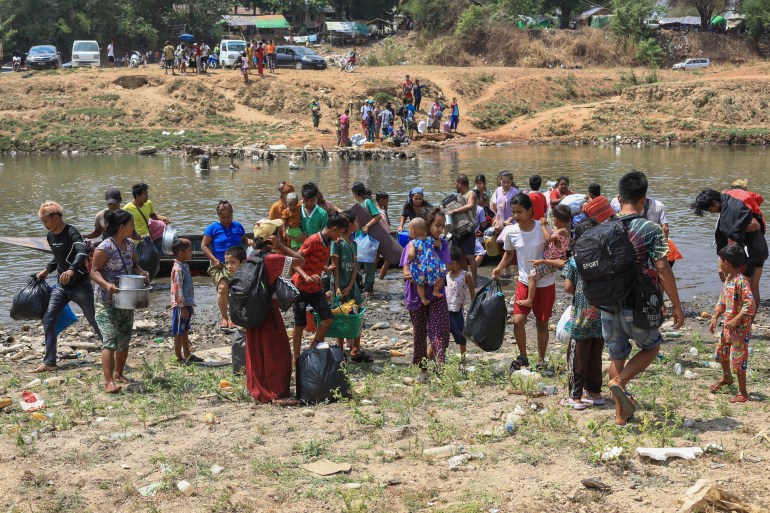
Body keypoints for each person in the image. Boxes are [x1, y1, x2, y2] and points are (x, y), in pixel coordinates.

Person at [605, 171, 684, 426]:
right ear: (644, 200)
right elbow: (662, 269)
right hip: (637, 302)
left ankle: (620, 415)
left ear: (619, 198)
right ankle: (620, 381)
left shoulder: (605, 226)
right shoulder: (650, 229)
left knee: (617, 356)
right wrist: (676, 305)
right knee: (651, 346)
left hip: (607, 302)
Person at [32, 202, 102, 374]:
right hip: (61, 287)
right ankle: (50, 362)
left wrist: (71, 270)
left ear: (56, 218)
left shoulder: (72, 233)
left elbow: (81, 253)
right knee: (48, 319)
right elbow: (59, 258)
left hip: (80, 285)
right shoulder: (51, 236)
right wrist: (47, 270)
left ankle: (112, 349)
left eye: (46, 221)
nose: (45, 225)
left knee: (93, 319)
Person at [247, 220, 308, 404]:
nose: (283, 233)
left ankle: (258, 389)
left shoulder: (252, 257)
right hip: (268, 312)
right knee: (277, 351)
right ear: (271, 238)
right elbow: (301, 260)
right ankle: (275, 393)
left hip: (253, 312)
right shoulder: (271, 259)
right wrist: (282, 246)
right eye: (279, 232)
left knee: (257, 351)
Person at [492, 193, 555, 372]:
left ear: (529, 211)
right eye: (513, 212)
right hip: (523, 281)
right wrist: (499, 267)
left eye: (519, 212)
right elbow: (509, 253)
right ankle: (523, 357)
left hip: (545, 283)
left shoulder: (541, 228)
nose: (516, 216)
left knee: (542, 324)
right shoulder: (511, 231)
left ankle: (541, 361)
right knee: (518, 321)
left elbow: (555, 247)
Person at [90, 209, 150, 394]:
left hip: (125, 299)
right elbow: (94, 271)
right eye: (131, 225)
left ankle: (119, 373)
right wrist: (106, 285)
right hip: (106, 300)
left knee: (124, 338)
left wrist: (142, 273)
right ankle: (108, 382)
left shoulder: (130, 245)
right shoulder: (105, 247)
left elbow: (135, 266)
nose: (133, 228)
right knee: (110, 339)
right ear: (122, 226)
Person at [291, 212, 351, 363]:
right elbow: (296, 261)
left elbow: (313, 259)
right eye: (341, 233)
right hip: (300, 287)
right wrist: (306, 276)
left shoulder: (328, 243)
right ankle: (296, 357)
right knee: (300, 324)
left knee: (328, 319)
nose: (340, 237)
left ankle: (311, 351)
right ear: (334, 229)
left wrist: (326, 269)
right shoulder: (312, 240)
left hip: (315, 287)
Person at [400, 209, 452, 383]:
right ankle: (422, 372)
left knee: (441, 332)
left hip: (437, 295)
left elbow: (447, 266)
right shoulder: (411, 245)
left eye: (442, 226)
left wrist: (427, 274)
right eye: (437, 225)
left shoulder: (441, 244)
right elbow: (405, 271)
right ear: (427, 225)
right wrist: (422, 275)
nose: (440, 230)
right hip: (416, 294)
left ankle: (440, 367)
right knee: (420, 334)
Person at [559, 219, 605, 410]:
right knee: (595, 354)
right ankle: (595, 393)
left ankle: (575, 397)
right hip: (602, 314)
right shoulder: (604, 258)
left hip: (582, 315)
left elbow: (568, 287)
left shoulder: (575, 260)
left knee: (577, 354)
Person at [692, 188, 767, 305]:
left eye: (709, 209)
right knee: (753, 288)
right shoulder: (729, 202)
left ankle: (739, 320)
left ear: (715, 202)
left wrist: (733, 230)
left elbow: (755, 225)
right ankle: (748, 323)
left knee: (740, 288)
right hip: (760, 247)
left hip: (748, 252)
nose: (711, 212)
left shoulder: (733, 207)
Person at [708, 245, 756, 404]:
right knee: (722, 352)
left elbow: (750, 304)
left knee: (738, 359)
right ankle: (726, 378)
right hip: (727, 328)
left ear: (726, 263)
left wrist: (737, 319)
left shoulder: (741, 282)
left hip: (740, 329)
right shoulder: (728, 279)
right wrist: (715, 316)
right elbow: (723, 300)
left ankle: (743, 393)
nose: (718, 262)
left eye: (720, 260)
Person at [201, 200, 251, 331]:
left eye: (229, 217)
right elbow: (203, 246)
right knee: (223, 288)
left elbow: (244, 240)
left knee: (237, 290)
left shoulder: (238, 226)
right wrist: (214, 259)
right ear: (218, 216)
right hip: (219, 264)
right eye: (223, 217)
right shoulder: (212, 228)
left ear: (232, 215)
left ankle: (235, 316)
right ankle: (224, 317)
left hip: (237, 264)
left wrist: (249, 241)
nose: (226, 220)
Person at [331, 210, 370, 362]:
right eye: (357, 222)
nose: (359, 224)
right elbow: (335, 268)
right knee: (341, 315)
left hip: (351, 285)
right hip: (339, 285)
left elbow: (355, 268)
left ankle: (356, 348)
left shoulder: (353, 243)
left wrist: (352, 284)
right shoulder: (337, 243)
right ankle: (340, 350)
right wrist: (338, 287)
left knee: (357, 311)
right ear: (349, 225)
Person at [517, 204, 572, 309]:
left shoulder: (561, 231)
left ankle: (529, 300)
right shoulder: (565, 230)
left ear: (555, 220)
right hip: (552, 259)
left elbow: (548, 239)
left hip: (550, 262)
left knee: (532, 276)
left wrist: (542, 225)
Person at [170, 238, 202, 365]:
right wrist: (182, 307)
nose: (192, 253)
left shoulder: (184, 266)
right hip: (180, 305)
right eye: (189, 250)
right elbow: (177, 290)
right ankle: (179, 357)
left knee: (185, 329)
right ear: (181, 253)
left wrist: (189, 305)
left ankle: (187, 354)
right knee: (179, 331)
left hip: (186, 304)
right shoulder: (178, 268)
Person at [405, 218, 446, 306]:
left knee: (420, 284)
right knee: (442, 273)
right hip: (432, 265)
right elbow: (438, 244)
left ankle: (423, 299)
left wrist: (409, 258)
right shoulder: (430, 239)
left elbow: (411, 255)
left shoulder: (412, 243)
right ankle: (435, 290)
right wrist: (439, 239)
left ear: (413, 232)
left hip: (420, 267)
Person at [445, 174, 478, 285]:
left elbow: (470, 205)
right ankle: (466, 278)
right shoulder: (459, 195)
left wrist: (454, 211)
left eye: (455, 183)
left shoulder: (471, 193)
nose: (455, 186)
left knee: (470, 256)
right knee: (462, 256)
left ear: (460, 183)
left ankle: (474, 280)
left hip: (468, 228)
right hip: (459, 230)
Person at [351, 182, 383, 298]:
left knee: (369, 264)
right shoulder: (358, 204)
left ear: (355, 193)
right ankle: (358, 286)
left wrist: (368, 225)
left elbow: (378, 216)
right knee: (357, 263)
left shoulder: (367, 202)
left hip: (369, 238)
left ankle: (369, 288)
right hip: (359, 238)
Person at [446, 246, 475, 363]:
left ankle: (463, 358)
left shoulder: (465, 275)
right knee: (445, 335)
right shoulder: (447, 275)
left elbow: (472, 291)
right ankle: (442, 356)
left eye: (447, 262)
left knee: (460, 336)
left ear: (453, 263)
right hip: (446, 309)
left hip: (458, 310)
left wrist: (474, 305)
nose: (445, 265)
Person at [123, 183, 170, 250]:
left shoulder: (148, 203)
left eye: (147, 194)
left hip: (147, 239)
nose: (147, 196)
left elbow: (153, 216)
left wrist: (162, 218)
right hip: (134, 242)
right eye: (145, 194)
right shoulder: (127, 208)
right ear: (137, 196)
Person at [376, 192, 392, 279]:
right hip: (384, 236)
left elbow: (387, 223)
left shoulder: (378, 210)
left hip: (380, 236)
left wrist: (386, 210)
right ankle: (381, 277)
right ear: (381, 200)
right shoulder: (379, 212)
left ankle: (373, 276)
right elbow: (387, 224)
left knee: (377, 257)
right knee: (389, 258)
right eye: (386, 200)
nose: (387, 202)